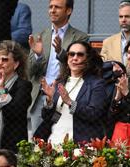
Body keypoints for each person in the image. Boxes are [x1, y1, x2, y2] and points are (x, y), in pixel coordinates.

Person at [28, 0, 88, 136]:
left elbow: (80, 65)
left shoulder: (80, 37)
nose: (52, 10)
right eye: (50, 7)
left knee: (63, 139)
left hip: (66, 96)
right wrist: (38, 55)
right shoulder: (40, 36)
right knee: (38, 143)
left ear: (68, 11)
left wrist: (61, 52)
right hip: (41, 96)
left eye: (57, 7)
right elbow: (30, 71)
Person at [34, 41, 107, 144]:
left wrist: (70, 102)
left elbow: (94, 114)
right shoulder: (60, 82)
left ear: (88, 58)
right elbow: (47, 117)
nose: (75, 58)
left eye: (80, 54)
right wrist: (49, 101)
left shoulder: (96, 84)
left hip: (80, 144)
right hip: (54, 141)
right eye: (71, 54)